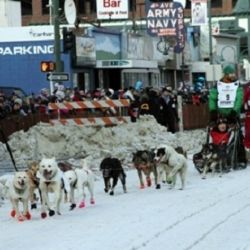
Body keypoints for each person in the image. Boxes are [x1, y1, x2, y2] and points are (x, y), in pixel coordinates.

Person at [208, 63, 247, 168]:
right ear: (225, 74)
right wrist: (212, 111)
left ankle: (240, 158)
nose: (233, 75)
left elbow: (239, 98)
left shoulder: (236, 85)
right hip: (220, 114)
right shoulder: (218, 85)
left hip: (233, 114)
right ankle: (215, 155)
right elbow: (212, 98)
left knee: (237, 137)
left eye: (233, 73)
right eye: (230, 73)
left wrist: (234, 111)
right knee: (217, 135)